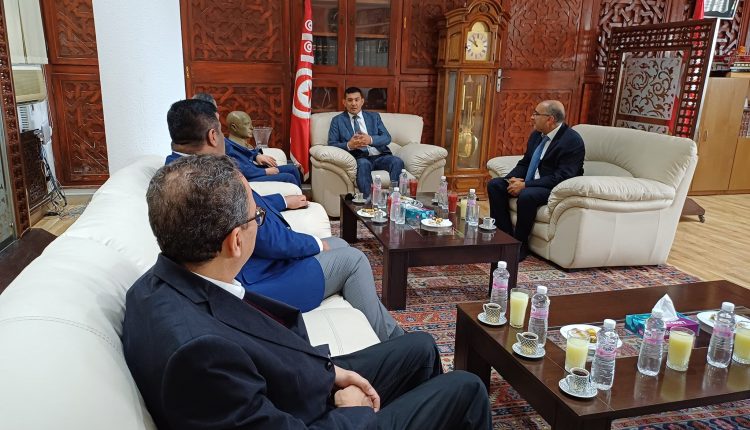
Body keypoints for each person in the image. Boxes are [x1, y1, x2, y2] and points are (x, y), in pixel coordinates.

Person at [122, 154, 491, 429]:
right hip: (317, 417)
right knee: (467, 388)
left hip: (296, 387)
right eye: (257, 217)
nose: (259, 224)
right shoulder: (199, 357)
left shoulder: (151, 287)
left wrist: (331, 373)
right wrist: (352, 410)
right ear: (235, 241)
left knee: (420, 347)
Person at [164, 98, 402, 341]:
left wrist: (283, 202)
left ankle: (388, 332)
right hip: (257, 283)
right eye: (221, 130)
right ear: (213, 136)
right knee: (354, 259)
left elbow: (249, 207)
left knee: (340, 244)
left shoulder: (175, 172)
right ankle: (396, 342)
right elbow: (266, 238)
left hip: (258, 267)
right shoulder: (212, 179)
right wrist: (314, 244)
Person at [486, 100, 585, 261]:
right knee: (495, 185)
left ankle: (520, 245)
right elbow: (525, 163)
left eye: (536, 114)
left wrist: (525, 185)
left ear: (550, 119)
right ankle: (504, 239)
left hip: (554, 187)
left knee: (527, 195)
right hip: (532, 182)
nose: (532, 117)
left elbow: (562, 176)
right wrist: (511, 179)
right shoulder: (537, 135)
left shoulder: (572, 141)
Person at [190, 94, 301, 186]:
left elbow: (236, 148)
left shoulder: (215, 132)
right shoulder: (207, 137)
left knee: (292, 169)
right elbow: (233, 165)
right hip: (245, 177)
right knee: (289, 177)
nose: (218, 114)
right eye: (215, 110)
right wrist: (264, 171)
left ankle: (302, 201)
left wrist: (256, 155)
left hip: (251, 169)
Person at [328, 87, 404, 199]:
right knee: (364, 164)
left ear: (362, 101)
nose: (353, 103)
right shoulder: (337, 120)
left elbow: (387, 138)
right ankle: (368, 201)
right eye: (350, 100)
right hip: (359, 157)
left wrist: (370, 140)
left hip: (380, 155)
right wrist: (349, 145)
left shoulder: (374, 117)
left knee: (397, 161)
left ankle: (394, 199)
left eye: (357, 100)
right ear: (344, 102)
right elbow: (332, 144)